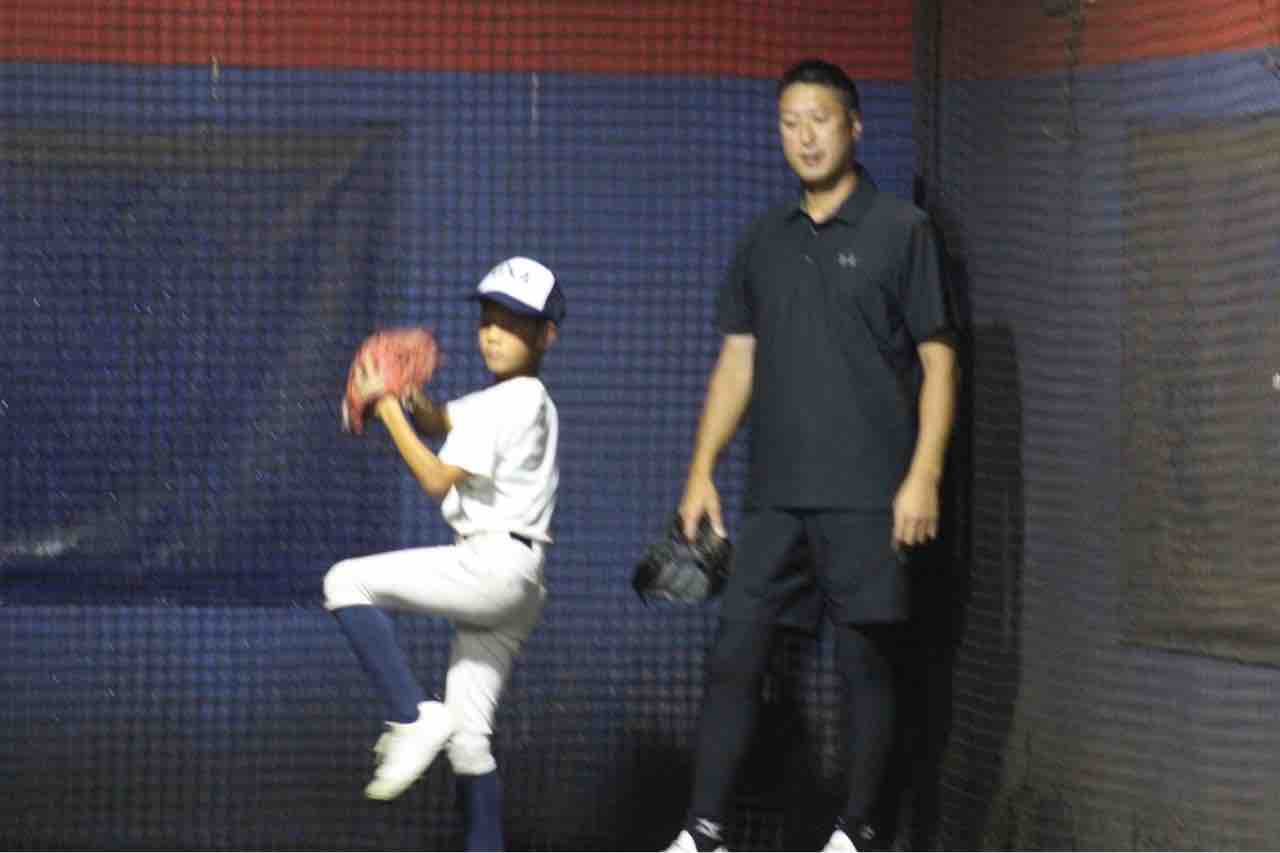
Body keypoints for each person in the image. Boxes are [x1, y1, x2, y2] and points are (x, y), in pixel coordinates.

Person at [665, 59, 958, 853]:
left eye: (820, 120)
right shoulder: (763, 240)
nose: (805, 137)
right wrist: (700, 471)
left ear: (854, 126)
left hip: (872, 496)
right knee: (734, 654)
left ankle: (857, 834)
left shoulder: (903, 229)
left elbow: (939, 362)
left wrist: (924, 474)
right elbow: (737, 361)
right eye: (790, 122)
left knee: (866, 666)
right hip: (774, 499)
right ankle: (702, 834)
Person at [324, 257, 565, 852]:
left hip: (491, 567)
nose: (494, 333)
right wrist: (410, 397)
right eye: (488, 319)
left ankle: (411, 716)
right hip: (521, 584)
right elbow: (439, 420)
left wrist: (385, 407)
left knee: (344, 582)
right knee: (470, 742)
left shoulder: (510, 402)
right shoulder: (519, 400)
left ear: (546, 336)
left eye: (514, 323)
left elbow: (435, 479)